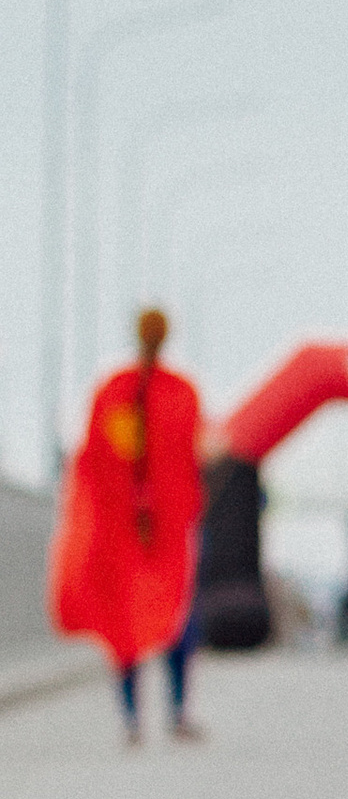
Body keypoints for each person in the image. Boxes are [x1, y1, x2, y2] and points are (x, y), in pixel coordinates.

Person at [50, 307, 208, 747]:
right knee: (174, 614)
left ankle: (132, 718)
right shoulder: (180, 394)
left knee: (125, 621)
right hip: (165, 531)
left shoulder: (112, 391)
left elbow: (90, 465)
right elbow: (192, 463)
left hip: (122, 530)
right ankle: (177, 711)